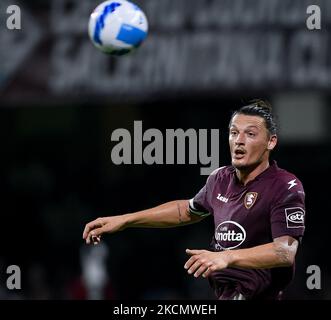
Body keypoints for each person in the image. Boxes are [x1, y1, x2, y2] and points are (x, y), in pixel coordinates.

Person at [82, 100, 306, 300]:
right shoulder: (219, 179)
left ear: (271, 142)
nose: (239, 141)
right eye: (233, 132)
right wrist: (126, 219)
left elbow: (284, 252)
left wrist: (226, 257)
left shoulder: (285, 186)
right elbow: (186, 211)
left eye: (250, 134)